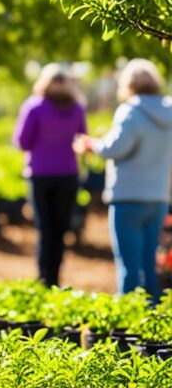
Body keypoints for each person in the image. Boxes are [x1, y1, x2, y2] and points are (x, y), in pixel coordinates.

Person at [75, 59, 172, 300]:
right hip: (158, 196)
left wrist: (91, 144)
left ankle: (128, 321)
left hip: (128, 196)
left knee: (129, 267)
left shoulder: (130, 111)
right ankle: (154, 319)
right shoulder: (168, 110)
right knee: (150, 265)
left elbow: (114, 148)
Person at [12, 63, 87, 287]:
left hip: (40, 175)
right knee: (60, 229)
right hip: (68, 175)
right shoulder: (77, 108)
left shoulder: (34, 107)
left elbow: (22, 141)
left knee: (45, 229)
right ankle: (55, 278)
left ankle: (44, 278)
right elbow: (83, 139)